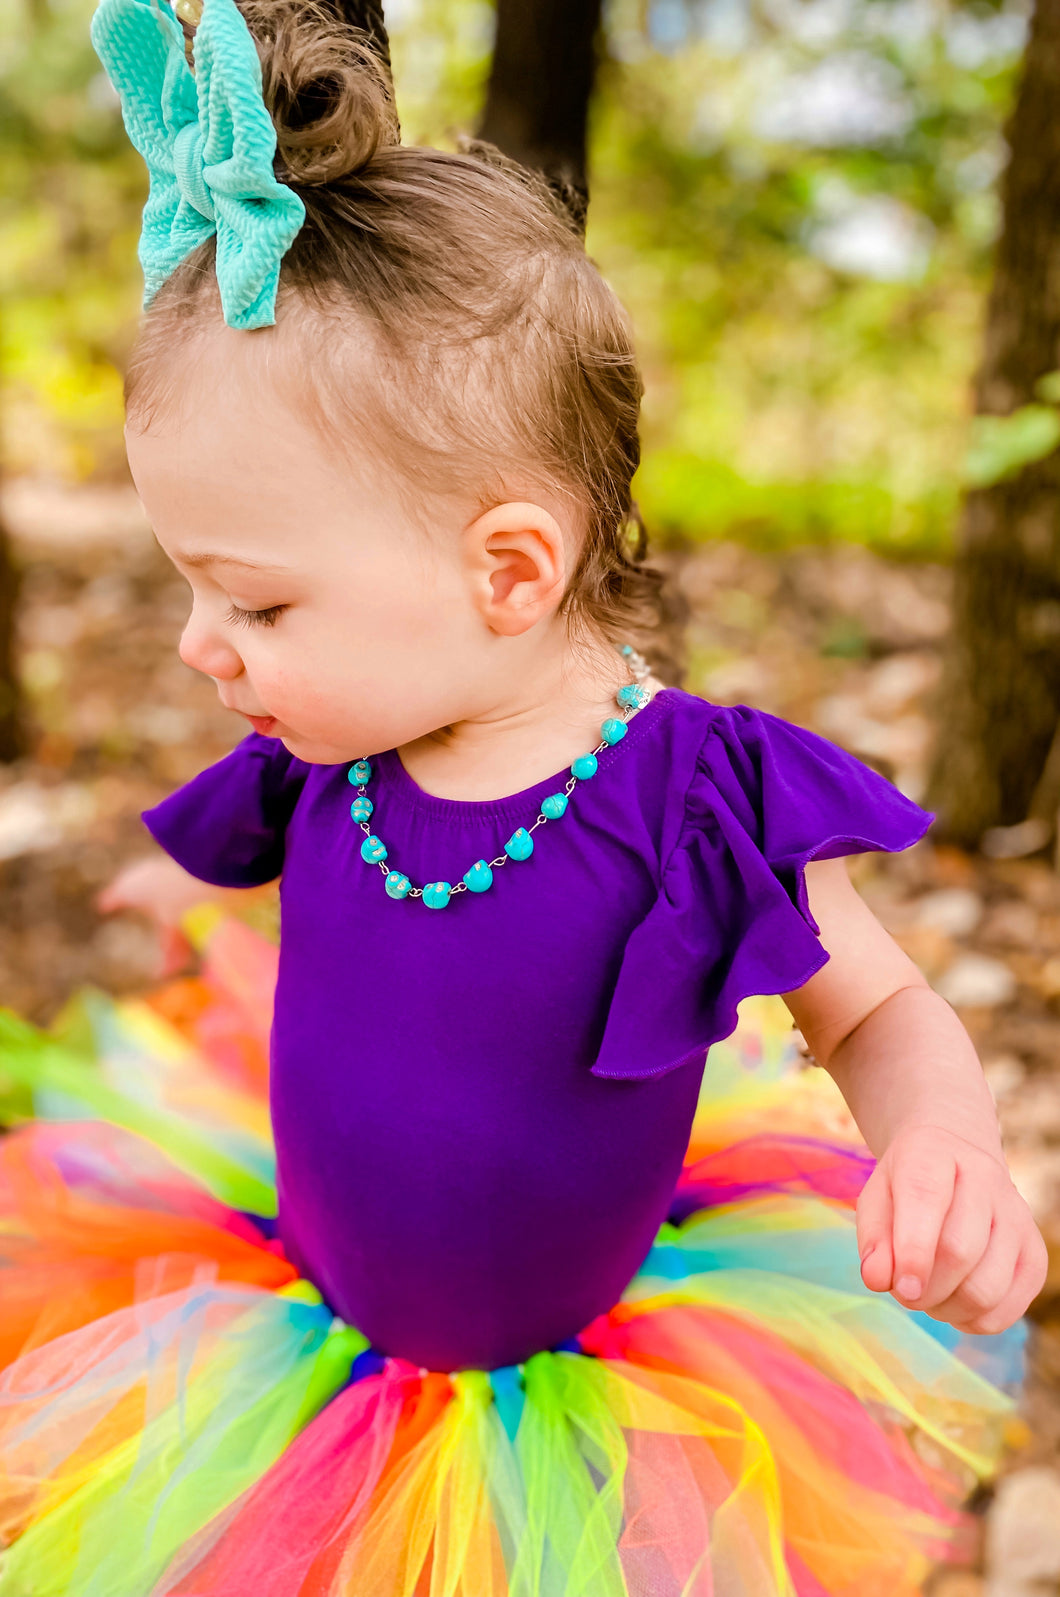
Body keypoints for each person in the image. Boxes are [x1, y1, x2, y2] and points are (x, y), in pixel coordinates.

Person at [0, 0, 1046, 1589]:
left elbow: (879, 1011)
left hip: (578, 1401)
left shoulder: (695, 793)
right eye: (191, 589)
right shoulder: (328, 744)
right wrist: (188, 898)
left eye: (256, 603)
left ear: (507, 567)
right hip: (305, 1334)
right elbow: (286, 886)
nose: (202, 646)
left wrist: (942, 1139)